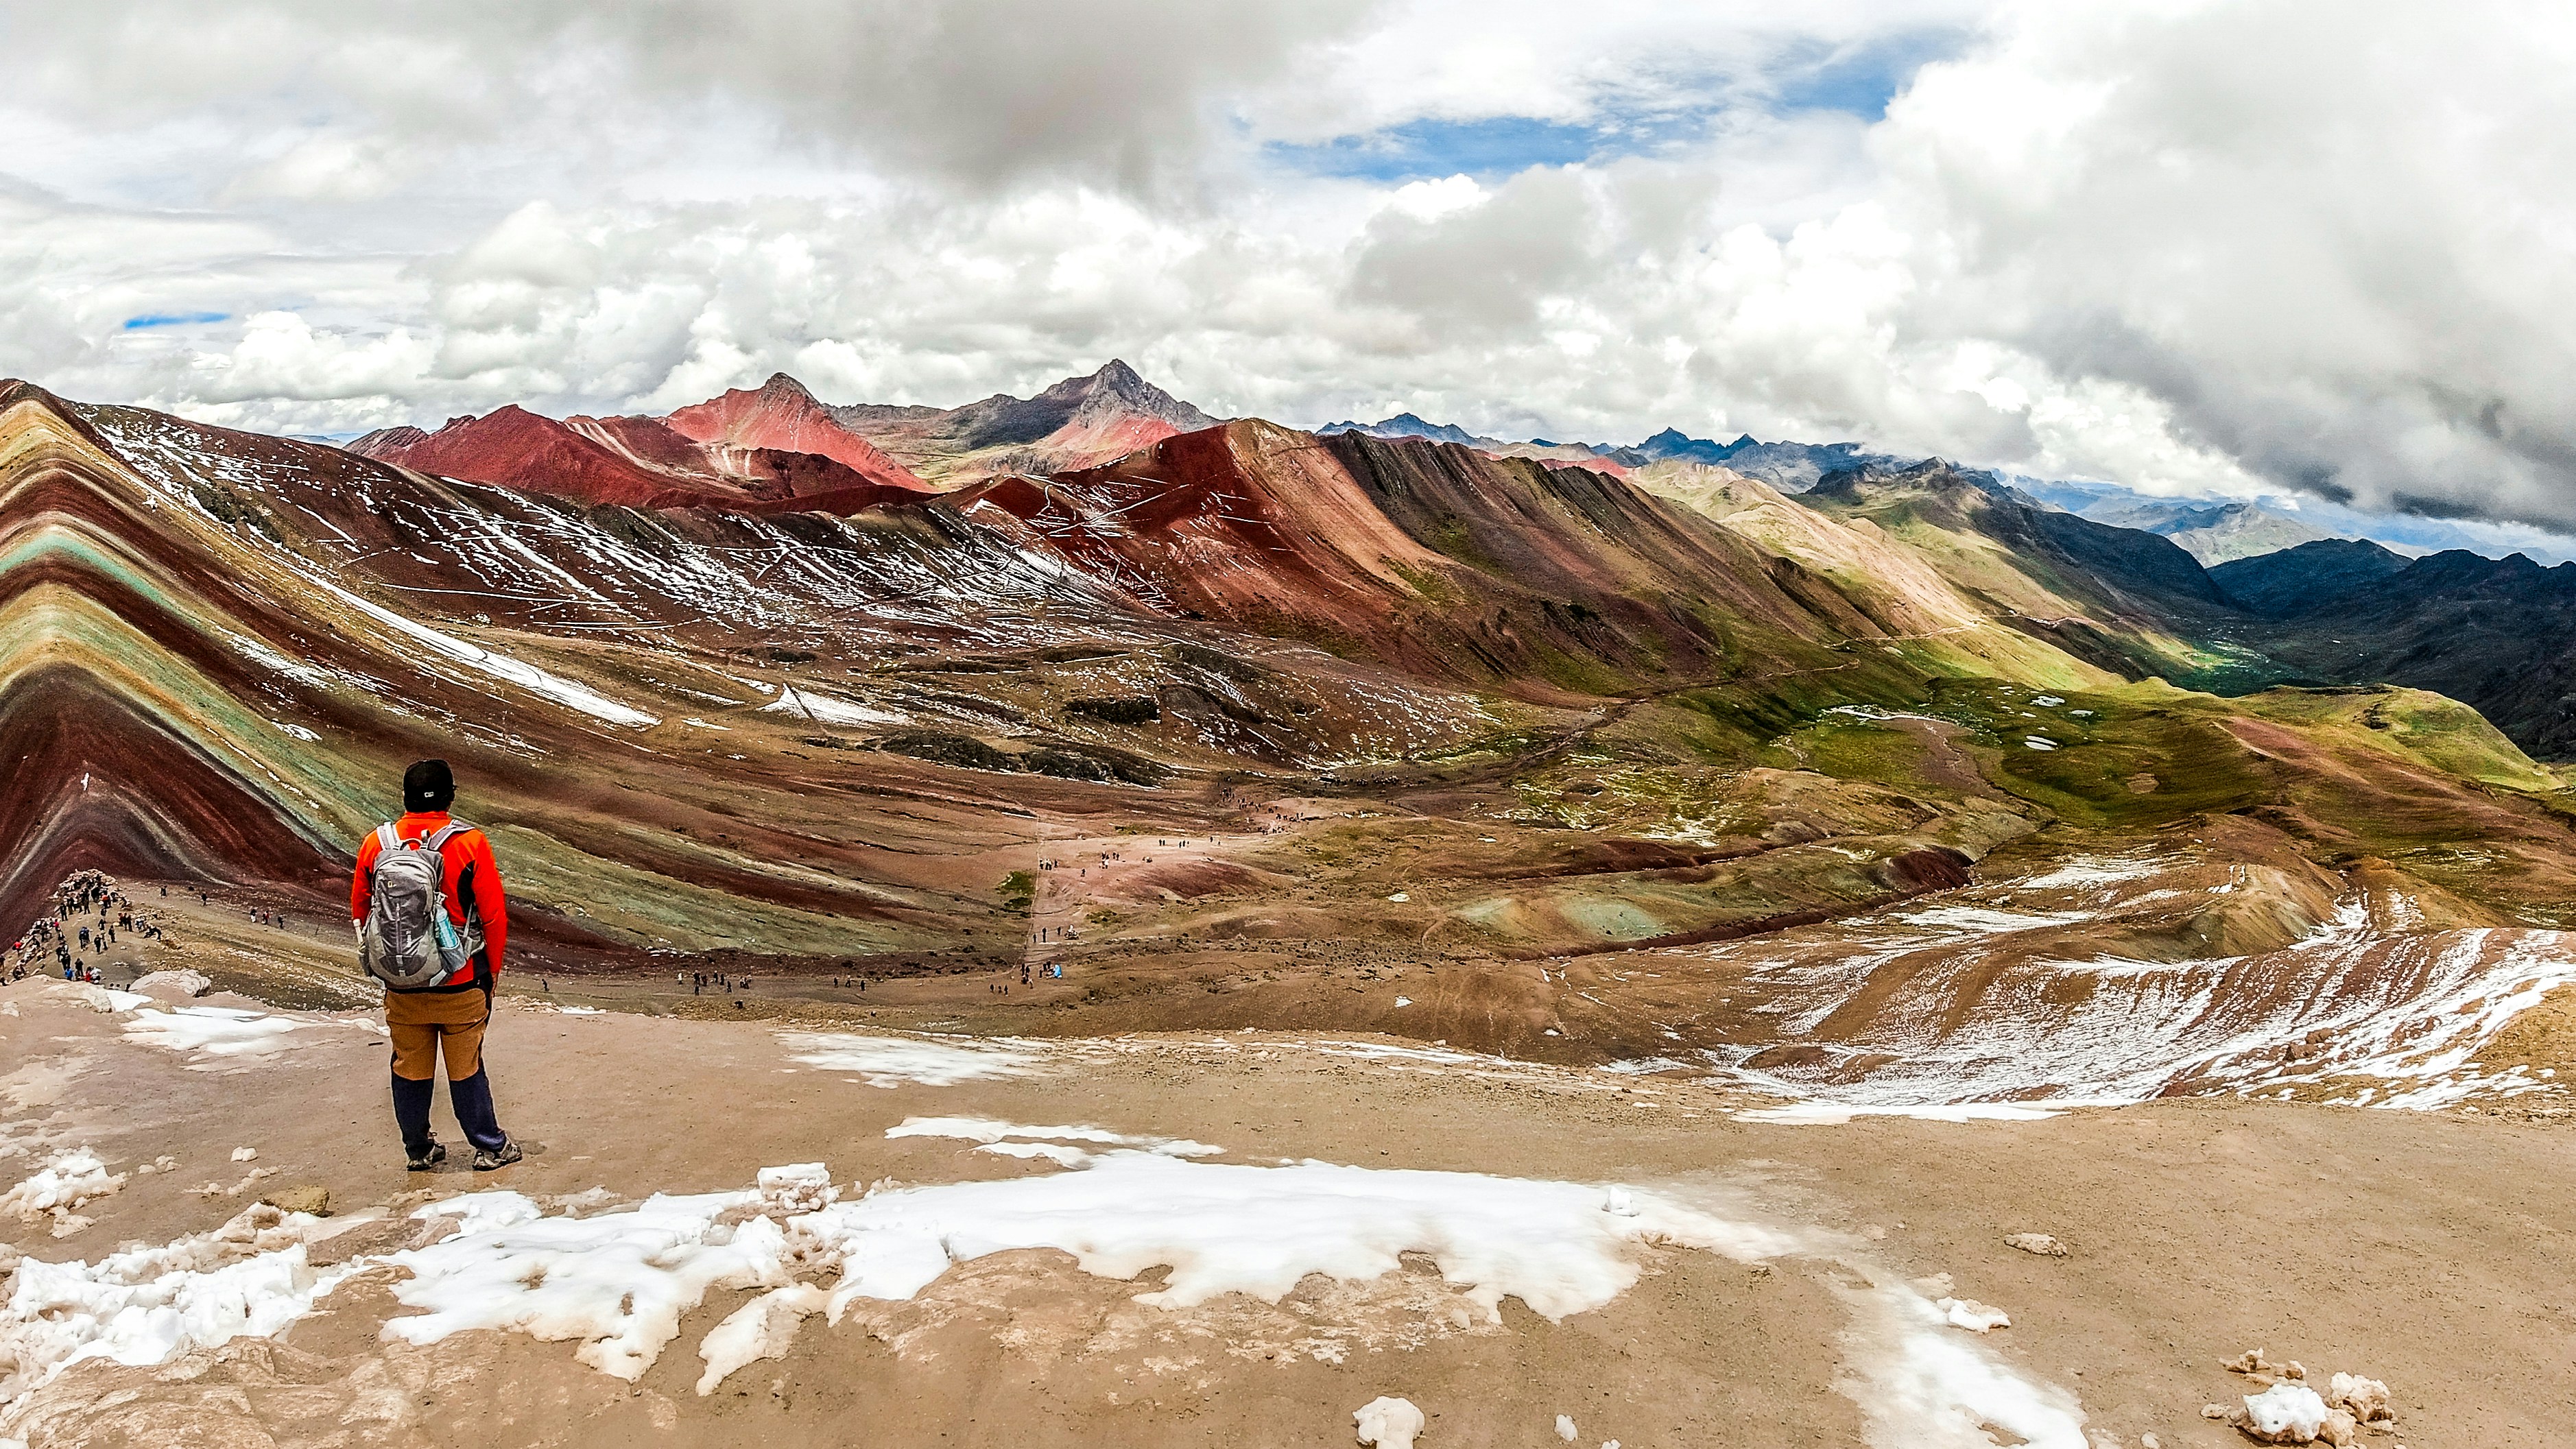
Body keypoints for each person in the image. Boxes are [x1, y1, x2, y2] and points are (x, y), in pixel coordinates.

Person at [350, 758, 522, 1172]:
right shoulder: (470, 843)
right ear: (450, 796)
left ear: (406, 798)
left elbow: (360, 909)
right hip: (461, 979)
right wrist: (492, 972)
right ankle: (489, 1145)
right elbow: (494, 916)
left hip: (403, 981)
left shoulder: (377, 844)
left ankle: (418, 1150)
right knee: (465, 1065)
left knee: (409, 1064)